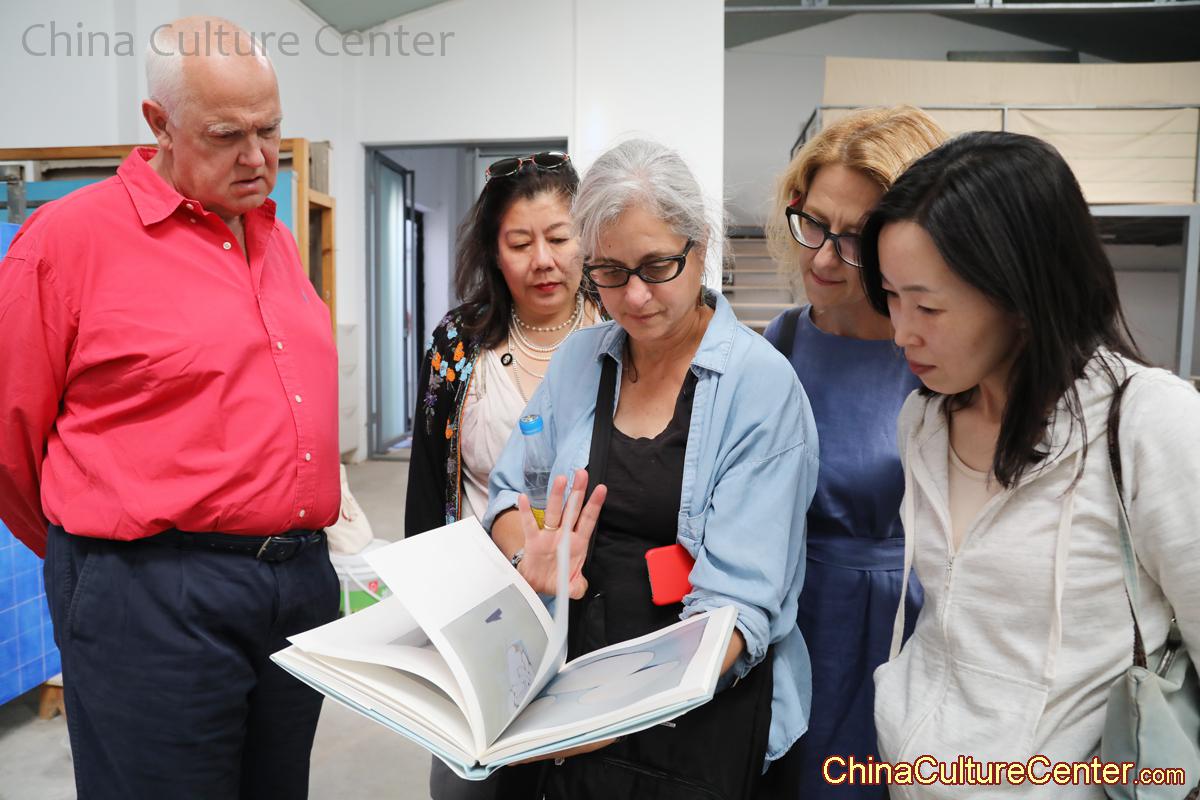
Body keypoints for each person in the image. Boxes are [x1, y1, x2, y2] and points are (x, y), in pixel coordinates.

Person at [0, 17, 340, 799]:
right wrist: (102, 566)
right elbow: (10, 442)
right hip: (151, 594)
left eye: (269, 129)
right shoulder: (68, 241)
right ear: (159, 124)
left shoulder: (273, 238)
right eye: (227, 135)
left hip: (294, 585)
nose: (257, 157)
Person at [859, 131, 1200, 797]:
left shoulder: (1148, 423)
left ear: (1020, 295)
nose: (901, 332)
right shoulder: (923, 421)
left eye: (927, 305)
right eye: (891, 296)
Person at [484, 139, 820, 799]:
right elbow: (509, 493)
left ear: (701, 245)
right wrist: (532, 551)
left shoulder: (759, 387)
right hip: (568, 690)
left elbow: (736, 611)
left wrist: (599, 723)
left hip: (692, 712)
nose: (634, 297)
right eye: (609, 272)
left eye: (657, 266)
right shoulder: (581, 362)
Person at [759, 106, 945, 796]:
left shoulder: (935, 359)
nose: (821, 257)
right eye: (813, 223)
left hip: (903, 635)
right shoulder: (780, 342)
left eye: (855, 239)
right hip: (793, 628)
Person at [404, 152, 598, 799]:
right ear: (494, 250)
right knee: (473, 780)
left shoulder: (620, 331)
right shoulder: (459, 344)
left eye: (559, 238)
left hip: (593, 604)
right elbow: (428, 488)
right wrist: (426, 613)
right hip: (482, 608)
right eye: (520, 243)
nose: (543, 260)